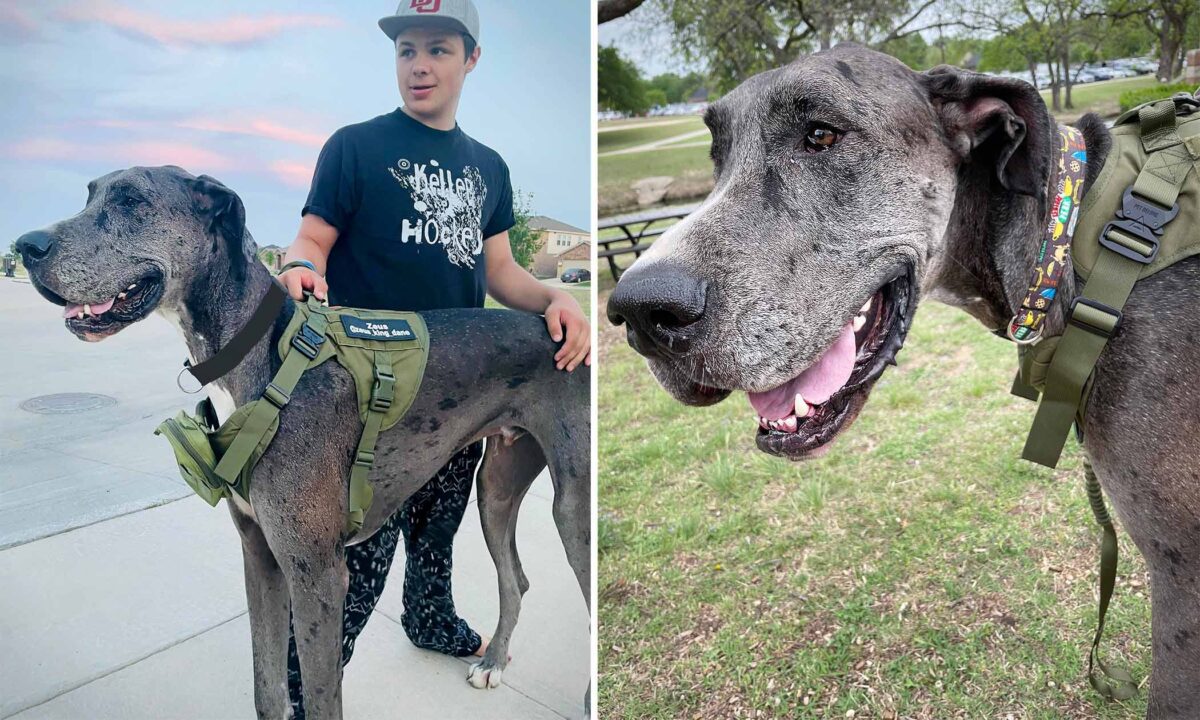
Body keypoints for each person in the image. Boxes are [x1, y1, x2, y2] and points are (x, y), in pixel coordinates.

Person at [276, 1, 590, 715]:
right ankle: (309, 685)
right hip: (371, 395)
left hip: (460, 388)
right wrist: (298, 267)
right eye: (407, 49)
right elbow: (313, 239)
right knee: (358, 554)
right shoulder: (353, 147)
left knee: (438, 528)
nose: (419, 64)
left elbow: (499, 273)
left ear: (470, 59)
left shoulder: (488, 167)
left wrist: (551, 300)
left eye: (438, 50)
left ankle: (428, 616)